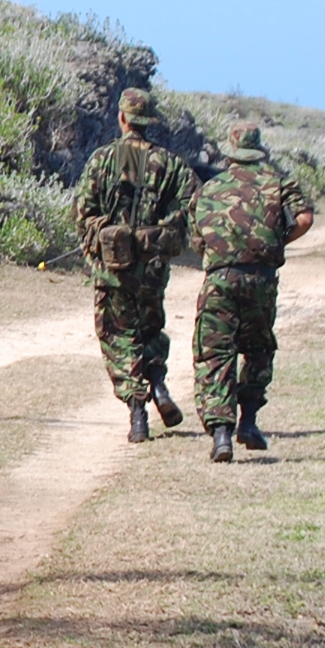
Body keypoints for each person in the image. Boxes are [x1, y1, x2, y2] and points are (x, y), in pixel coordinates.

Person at [71, 87, 198, 443]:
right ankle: (158, 383)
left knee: (117, 335)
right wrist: (160, 234)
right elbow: (194, 205)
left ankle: (138, 413)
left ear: (122, 117)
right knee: (150, 329)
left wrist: (101, 239)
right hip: (152, 270)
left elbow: (82, 212)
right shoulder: (171, 164)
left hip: (111, 271)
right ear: (149, 121)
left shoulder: (102, 159)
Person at [189, 123, 314, 463]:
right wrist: (275, 243)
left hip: (220, 278)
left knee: (215, 353)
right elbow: (304, 217)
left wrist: (220, 250)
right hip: (261, 278)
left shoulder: (209, 188)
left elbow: (196, 237)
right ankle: (249, 421)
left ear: (231, 151)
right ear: (258, 149)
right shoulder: (279, 183)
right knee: (258, 349)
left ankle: (221, 434)